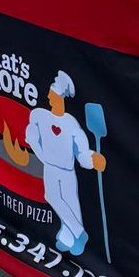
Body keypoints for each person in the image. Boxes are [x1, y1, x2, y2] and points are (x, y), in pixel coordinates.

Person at [26, 72, 103, 257]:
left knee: (71, 202)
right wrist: (38, 147)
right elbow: (33, 137)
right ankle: (78, 233)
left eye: (51, 96)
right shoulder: (40, 116)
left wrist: (92, 159)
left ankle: (69, 238)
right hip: (50, 168)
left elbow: (81, 151)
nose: (48, 98)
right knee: (52, 196)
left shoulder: (71, 124)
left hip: (67, 171)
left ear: (60, 99)